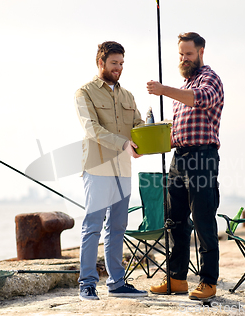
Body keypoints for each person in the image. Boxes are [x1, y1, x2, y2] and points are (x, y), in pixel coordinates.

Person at [147, 32, 224, 301]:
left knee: (203, 219)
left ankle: (208, 282)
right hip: (179, 159)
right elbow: (175, 134)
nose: (184, 58)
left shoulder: (209, 79)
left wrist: (163, 89)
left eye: (188, 54)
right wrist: (143, 147)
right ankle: (177, 278)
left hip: (202, 159)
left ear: (201, 51)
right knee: (175, 221)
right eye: (180, 54)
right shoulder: (184, 85)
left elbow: (200, 99)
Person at [74, 41, 148, 300]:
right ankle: (87, 283)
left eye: (122, 64)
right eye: (114, 63)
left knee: (118, 226)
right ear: (101, 63)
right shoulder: (84, 92)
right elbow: (91, 129)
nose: (119, 68)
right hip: (97, 168)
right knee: (93, 226)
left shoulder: (128, 96)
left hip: (123, 170)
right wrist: (124, 143)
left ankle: (117, 282)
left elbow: (138, 124)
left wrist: (155, 131)